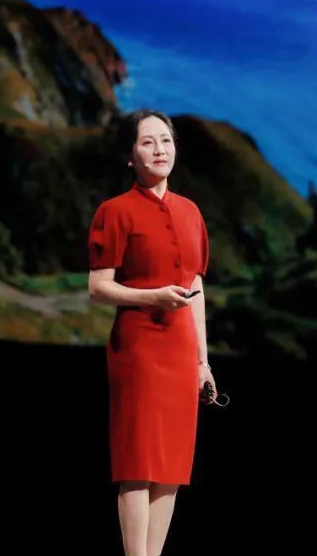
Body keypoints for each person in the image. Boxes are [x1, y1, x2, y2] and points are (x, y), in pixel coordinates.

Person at [87, 108, 216, 556]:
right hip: (139, 348)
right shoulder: (115, 211)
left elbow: (196, 287)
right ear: (130, 156)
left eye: (166, 140)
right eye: (148, 142)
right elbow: (98, 287)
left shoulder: (191, 211)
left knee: (172, 469)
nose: (160, 149)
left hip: (181, 350)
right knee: (138, 464)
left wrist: (202, 361)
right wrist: (152, 297)